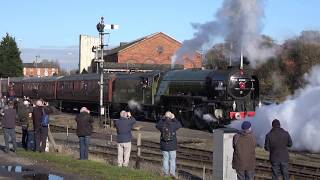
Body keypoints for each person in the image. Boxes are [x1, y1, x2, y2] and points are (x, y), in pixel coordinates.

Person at [156, 111, 182, 178]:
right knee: (172, 160)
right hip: (172, 145)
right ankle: (172, 173)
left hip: (164, 145)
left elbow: (157, 125)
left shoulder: (162, 124)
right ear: (170, 116)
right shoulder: (174, 124)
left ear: (165, 116)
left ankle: (166, 174)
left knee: (165, 159)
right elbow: (179, 125)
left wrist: (162, 118)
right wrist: (174, 118)